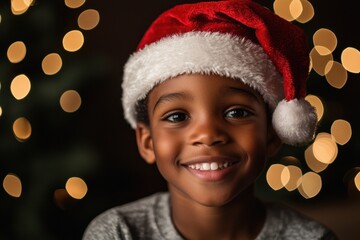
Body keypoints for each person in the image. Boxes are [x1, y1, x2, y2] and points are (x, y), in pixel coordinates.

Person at [83, 0, 337, 239]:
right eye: (177, 116)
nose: (207, 134)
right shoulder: (118, 232)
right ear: (147, 142)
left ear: (271, 134)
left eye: (236, 113)